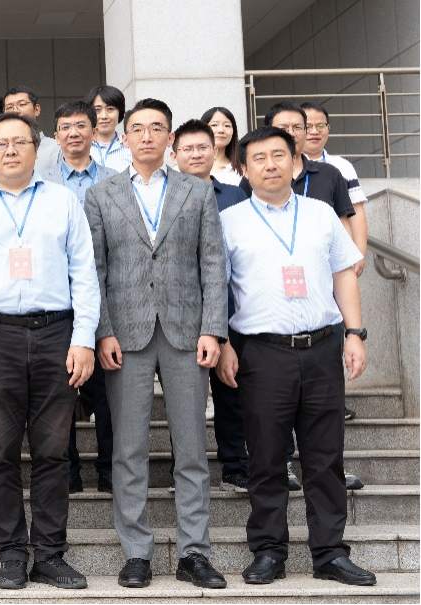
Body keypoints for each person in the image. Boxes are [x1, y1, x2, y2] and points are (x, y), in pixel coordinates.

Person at [0, 112, 98, 591]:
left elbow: (84, 274)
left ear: (37, 149)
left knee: (53, 452)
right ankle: (11, 554)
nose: (10, 151)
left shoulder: (63, 201)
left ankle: (50, 554)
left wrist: (84, 338)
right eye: (1, 144)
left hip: (56, 333)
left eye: (19, 142)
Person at [217, 126, 375, 587]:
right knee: (266, 458)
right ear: (244, 168)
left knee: (325, 457)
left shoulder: (320, 213)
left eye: (278, 155)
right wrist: (224, 344)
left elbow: (344, 274)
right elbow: (217, 288)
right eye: (259, 158)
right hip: (262, 353)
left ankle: (330, 553)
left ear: (294, 161)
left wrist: (354, 334)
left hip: (322, 347)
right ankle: (269, 551)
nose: (270, 165)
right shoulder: (229, 221)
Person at [84, 99, 229, 590]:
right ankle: (137, 552)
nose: (147, 136)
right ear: (123, 138)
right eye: (138, 129)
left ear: (170, 139)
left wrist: (213, 328)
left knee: (191, 449)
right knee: (129, 449)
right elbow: (95, 270)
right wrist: (102, 331)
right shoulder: (100, 194)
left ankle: (194, 552)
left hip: (187, 332)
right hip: (125, 335)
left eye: (157, 128)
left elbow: (213, 263)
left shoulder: (197, 190)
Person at [251, 102, 365, 487]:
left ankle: (331, 529)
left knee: (325, 427)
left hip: (321, 320)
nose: (271, 164)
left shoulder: (325, 192)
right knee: (272, 430)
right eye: (282, 128)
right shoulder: (244, 199)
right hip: (268, 329)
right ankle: (270, 537)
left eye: (297, 128)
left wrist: (354, 332)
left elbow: (344, 249)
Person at [41, 101, 118, 495]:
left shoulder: (116, 180)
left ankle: (109, 468)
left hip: (106, 293)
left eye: (81, 125)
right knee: (60, 391)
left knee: (106, 389)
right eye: (65, 127)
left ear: (94, 131)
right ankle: (67, 470)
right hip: (56, 298)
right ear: (56, 136)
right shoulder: (40, 181)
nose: (73, 133)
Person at [169, 119, 251, 492]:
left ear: (214, 150)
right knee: (184, 398)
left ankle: (235, 464)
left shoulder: (235, 196)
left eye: (203, 147)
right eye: (187, 149)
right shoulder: (164, 197)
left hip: (231, 308)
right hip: (181, 312)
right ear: (174, 155)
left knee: (230, 391)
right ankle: (184, 468)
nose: (196, 154)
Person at [302, 102, 369, 276]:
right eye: (308, 126)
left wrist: (359, 252)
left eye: (320, 126)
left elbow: (356, 211)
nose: (314, 131)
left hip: (336, 253)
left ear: (328, 128)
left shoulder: (342, 166)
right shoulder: (286, 166)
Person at [2, 86, 59, 175]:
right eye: (9, 107)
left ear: (36, 109)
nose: (15, 111)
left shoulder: (55, 148)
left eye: (22, 104)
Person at [86, 85, 132, 172]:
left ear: (120, 112)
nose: (104, 116)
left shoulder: (131, 146)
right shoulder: (81, 146)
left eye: (110, 109)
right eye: (97, 110)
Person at [202, 107, 243, 185]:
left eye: (227, 126)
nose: (221, 130)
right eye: (214, 125)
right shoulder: (191, 166)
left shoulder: (243, 168)